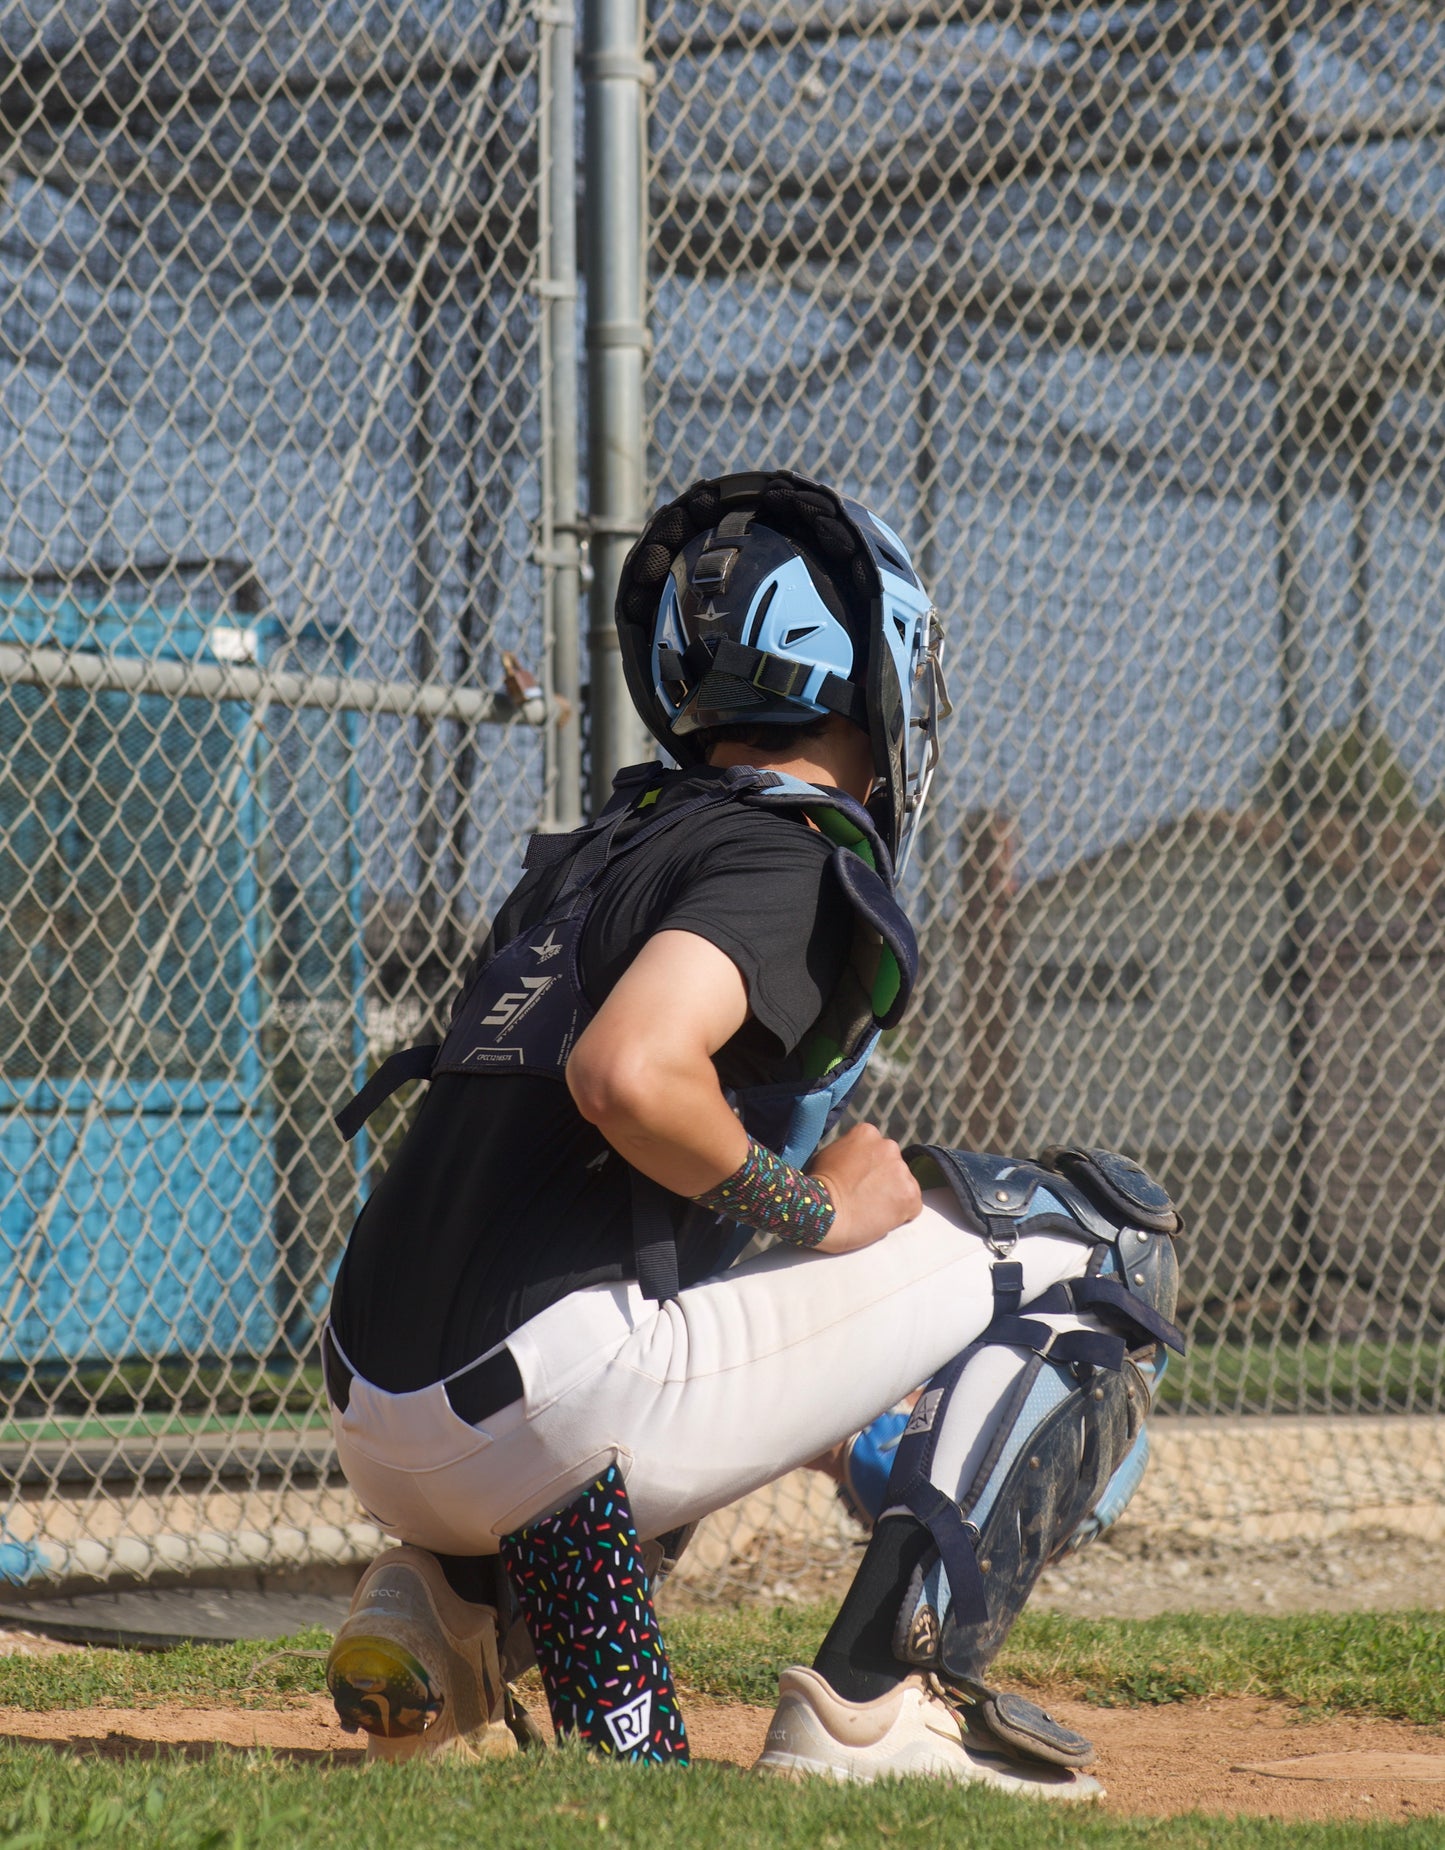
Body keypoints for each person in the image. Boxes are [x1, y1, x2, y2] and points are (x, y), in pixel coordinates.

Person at [319, 469, 1181, 1797]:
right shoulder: (782, 854)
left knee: (681, 1270)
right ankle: (879, 1701)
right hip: (545, 1406)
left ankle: (453, 1604)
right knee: (1094, 1239)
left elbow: (614, 1171)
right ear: (865, 664)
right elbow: (628, 1074)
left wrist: (834, 1404)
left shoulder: (605, 844)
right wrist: (824, 1216)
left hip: (383, 1403)